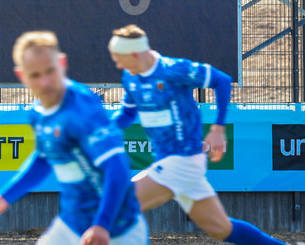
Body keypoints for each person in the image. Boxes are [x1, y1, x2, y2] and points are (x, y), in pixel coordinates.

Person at [0, 31, 148, 245]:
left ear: (62, 63)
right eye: (35, 75)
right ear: (22, 76)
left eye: (50, 71)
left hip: (117, 229)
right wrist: (2, 199)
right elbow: (43, 158)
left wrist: (102, 224)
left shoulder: (82, 111)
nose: (45, 82)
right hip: (71, 225)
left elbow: (118, 168)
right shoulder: (38, 113)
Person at [108, 25, 288, 245]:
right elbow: (127, 113)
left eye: (119, 59)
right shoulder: (130, 77)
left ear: (135, 54)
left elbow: (221, 80)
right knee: (221, 228)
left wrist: (217, 129)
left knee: (122, 205)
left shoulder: (174, 70)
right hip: (176, 163)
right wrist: (101, 132)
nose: (118, 65)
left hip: (181, 161)